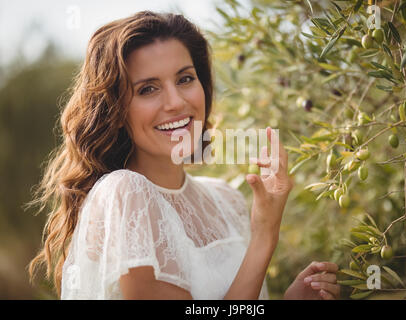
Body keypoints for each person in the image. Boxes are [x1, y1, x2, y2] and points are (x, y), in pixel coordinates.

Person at [27, 11, 340, 300]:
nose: (176, 102)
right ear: (117, 111)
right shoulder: (124, 193)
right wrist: (264, 236)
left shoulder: (226, 200)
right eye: (148, 89)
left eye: (185, 79)